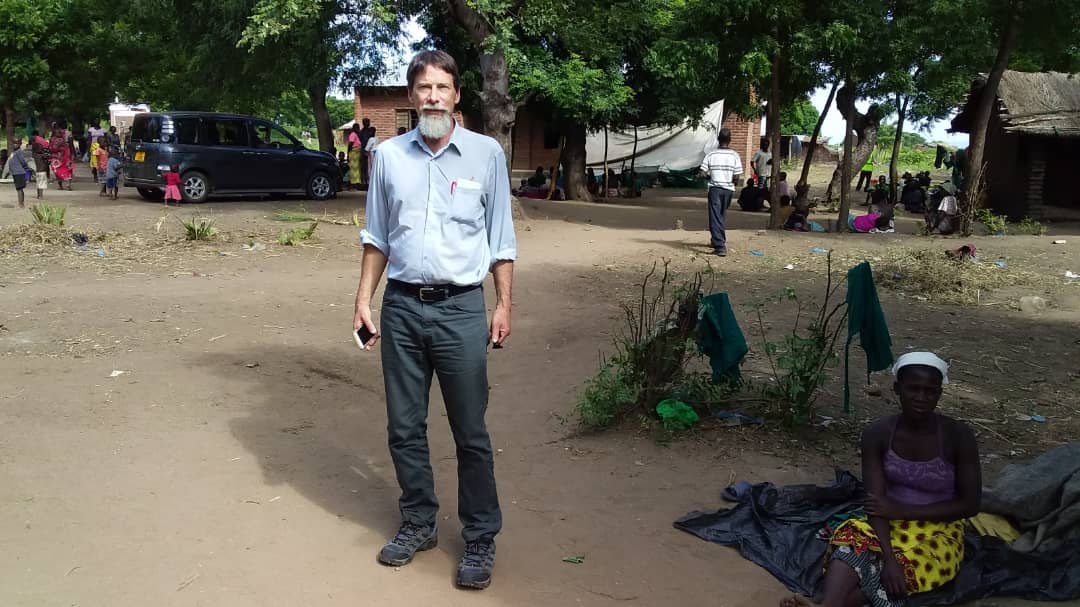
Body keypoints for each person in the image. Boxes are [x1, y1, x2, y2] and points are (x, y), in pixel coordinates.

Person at [352, 49, 516, 591]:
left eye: (442, 88)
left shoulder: (486, 155)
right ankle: (419, 522)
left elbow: (501, 239)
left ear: (457, 95)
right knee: (404, 427)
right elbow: (377, 236)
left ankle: (480, 535)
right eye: (424, 88)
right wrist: (363, 300)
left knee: (470, 431)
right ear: (411, 96)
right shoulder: (388, 156)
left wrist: (503, 304)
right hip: (401, 307)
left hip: (461, 309)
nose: (433, 98)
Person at [783, 352, 980, 607]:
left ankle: (825, 602)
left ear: (939, 394)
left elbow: (970, 505)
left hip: (940, 529)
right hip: (887, 521)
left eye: (930, 391)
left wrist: (902, 511)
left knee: (903, 573)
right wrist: (888, 557)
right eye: (913, 389)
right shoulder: (877, 434)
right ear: (897, 389)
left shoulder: (958, 436)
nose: (921, 398)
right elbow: (875, 503)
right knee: (853, 537)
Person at [698, 128, 743, 256]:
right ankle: (716, 240)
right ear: (730, 140)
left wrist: (709, 177)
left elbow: (702, 173)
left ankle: (720, 247)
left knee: (715, 216)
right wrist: (731, 181)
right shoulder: (734, 155)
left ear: (718, 139)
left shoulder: (711, 154)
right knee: (721, 215)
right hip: (728, 190)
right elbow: (736, 177)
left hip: (715, 189)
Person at [4, 139, 33, 208]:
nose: (14, 145)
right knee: (19, 189)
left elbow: (23, 161)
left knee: (19, 188)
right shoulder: (14, 152)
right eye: (13, 143)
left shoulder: (19, 152)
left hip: (19, 173)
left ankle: (21, 204)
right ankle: (21, 203)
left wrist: (26, 168)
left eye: (16, 143)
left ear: (20, 144)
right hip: (15, 173)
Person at [31, 131, 50, 200]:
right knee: (41, 181)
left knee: (39, 181)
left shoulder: (36, 155)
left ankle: (39, 195)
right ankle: (40, 195)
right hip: (42, 169)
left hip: (39, 169)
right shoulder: (42, 154)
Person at [358, 117, 374, 187]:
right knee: (365, 167)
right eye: (367, 122)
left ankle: (369, 182)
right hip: (365, 151)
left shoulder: (370, 131)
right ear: (364, 123)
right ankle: (365, 183)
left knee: (369, 167)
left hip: (369, 151)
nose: (368, 123)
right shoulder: (362, 132)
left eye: (368, 122)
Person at [347, 122, 363, 189]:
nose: (359, 129)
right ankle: (354, 183)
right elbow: (350, 144)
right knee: (354, 167)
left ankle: (356, 182)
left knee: (356, 167)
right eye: (357, 128)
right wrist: (348, 153)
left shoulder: (355, 134)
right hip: (354, 152)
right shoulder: (353, 134)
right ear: (354, 128)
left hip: (356, 152)